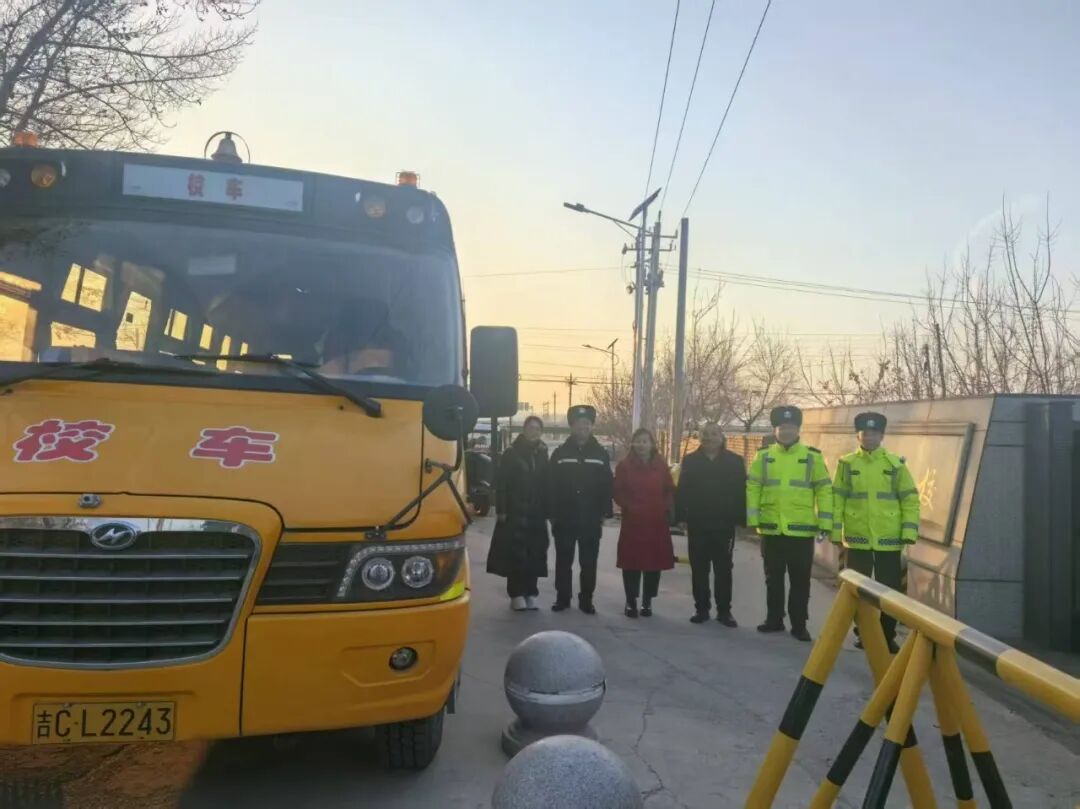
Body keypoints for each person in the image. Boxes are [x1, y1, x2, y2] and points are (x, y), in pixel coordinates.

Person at [832, 412, 920, 654]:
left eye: (873, 433)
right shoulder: (847, 464)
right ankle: (863, 633)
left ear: (881, 436)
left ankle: (887, 634)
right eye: (864, 433)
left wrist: (909, 530)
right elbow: (837, 498)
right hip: (856, 535)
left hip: (888, 537)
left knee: (889, 591)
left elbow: (910, 500)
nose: (868, 437)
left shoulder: (895, 465)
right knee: (858, 589)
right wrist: (834, 530)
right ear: (858, 435)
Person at [746, 406, 833, 642]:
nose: (786, 432)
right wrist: (753, 518)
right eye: (782, 428)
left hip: (801, 530)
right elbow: (753, 486)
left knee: (800, 581)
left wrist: (826, 520)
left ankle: (799, 624)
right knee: (772, 578)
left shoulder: (812, 456)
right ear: (775, 430)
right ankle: (774, 619)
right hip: (772, 528)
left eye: (791, 428)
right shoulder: (763, 456)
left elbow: (824, 489)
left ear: (798, 430)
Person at [675, 423, 747, 626]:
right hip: (698, 523)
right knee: (699, 568)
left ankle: (724, 611)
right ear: (700, 437)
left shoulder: (734, 461)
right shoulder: (691, 461)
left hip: (724, 525)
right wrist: (680, 517)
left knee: (723, 569)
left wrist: (742, 518)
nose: (709, 438)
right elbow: (682, 491)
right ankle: (701, 609)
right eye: (705, 434)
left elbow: (741, 492)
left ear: (722, 437)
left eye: (713, 434)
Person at [548, 405, 614, 614]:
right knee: (563, 562)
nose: (583, 427)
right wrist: (552, 513)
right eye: (578, 423)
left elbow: (607, 485)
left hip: (590, 519)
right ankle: (563, 598)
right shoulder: (560, 453)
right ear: (572, 426)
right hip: (565, 518)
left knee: (588, 563)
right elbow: (550, 485)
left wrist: (604, 512)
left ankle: (586, 599)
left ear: (591, 426)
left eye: (587, 423)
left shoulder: (601, 454)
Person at [486, 416, 550, 611]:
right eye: (531, 428)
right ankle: (516, 594)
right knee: (516, 554)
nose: (534, 431)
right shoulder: (511, 454)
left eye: (538, 428)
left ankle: (531, 592)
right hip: (515, 512)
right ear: (524, 430)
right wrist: (502, 509)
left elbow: (548, 482)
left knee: (536, 552)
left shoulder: (543, 452)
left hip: (536, 513)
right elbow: (501, 484)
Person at [613, 428, 676, 618]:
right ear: (633, 444)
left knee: (653, 564)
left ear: (652, 444)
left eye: (645, 441)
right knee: (631, 563)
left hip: (656, 522)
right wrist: (629, 506)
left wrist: (664, 506)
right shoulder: (624, 466)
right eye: (638, 441)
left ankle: (648, 601)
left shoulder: (660, 465)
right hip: (633, 522)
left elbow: (669, 490)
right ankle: (631, 601)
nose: (642, 445)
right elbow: (618, 491)